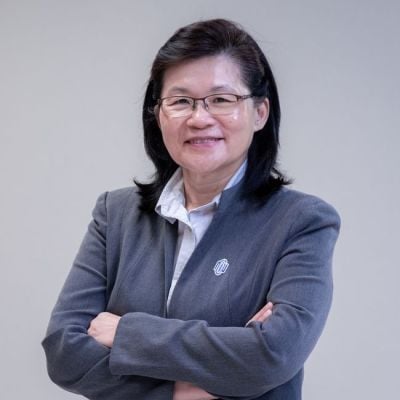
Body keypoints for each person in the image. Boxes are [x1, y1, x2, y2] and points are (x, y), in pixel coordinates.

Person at [42, 19, 340, 400]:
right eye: (181, 101)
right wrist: (188, 386)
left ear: (260, 112)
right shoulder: (114, 214)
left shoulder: (302, 222)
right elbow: (64, 354)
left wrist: (127, 335)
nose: (199, 118)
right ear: (159, 114)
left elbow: (272, 355)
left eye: (222, 99)